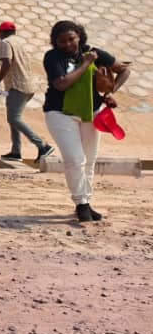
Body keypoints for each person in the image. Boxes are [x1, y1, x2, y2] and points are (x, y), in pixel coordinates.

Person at [41, 20, 131, 222]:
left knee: (89, 160)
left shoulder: (94, 52)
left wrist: (110, 92)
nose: (67, 45)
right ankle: (81, 203)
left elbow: (124, 70)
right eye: (62, 41)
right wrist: (85, 64)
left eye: (71, 39)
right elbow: (62, 84)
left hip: (91, 113)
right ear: (55, 43)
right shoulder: (53, 57)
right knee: (75, 159)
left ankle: (87, 201)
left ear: (79, 37)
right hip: (60, 113)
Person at [0, 21, 54, 162]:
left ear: (2, 33)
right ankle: (16, 151)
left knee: (14, 118)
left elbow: (8, 62)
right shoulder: (19, 42)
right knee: (13, 118)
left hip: (17, 86)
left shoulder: (5, 42)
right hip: (27, 85)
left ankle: (42, 145)